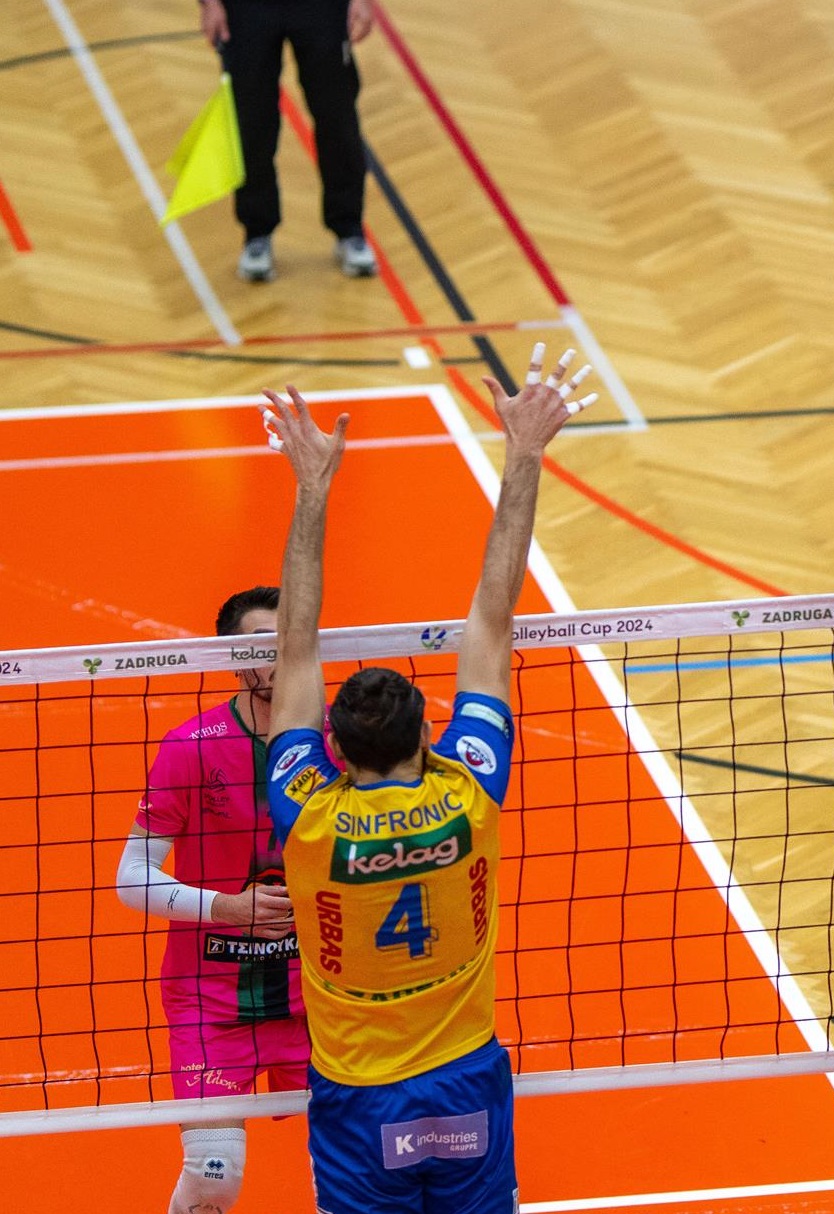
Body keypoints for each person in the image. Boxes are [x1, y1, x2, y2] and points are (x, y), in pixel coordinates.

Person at [260, 353, 595, 1213]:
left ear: (331, 746)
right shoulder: (471, 788)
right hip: (464, 1084)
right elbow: (493, 616)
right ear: (428, 733)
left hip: (359, 1098)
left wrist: (312, 489)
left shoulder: (308, 813)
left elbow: (293, 651)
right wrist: (524, 454)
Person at [116, 585, 309, 1214]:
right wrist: (224, 909)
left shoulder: (346, 739)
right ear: (234, 656)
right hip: (211, 998)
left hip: (326, 996)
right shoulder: (190, 747)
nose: (278, 656)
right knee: (214, 1178)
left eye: (288, 638)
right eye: (260, 645)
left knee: (356, 1161)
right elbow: (132, 876)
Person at [198, 0, 379, 282]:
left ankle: (349, 228)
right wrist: (210, 4)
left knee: (338, 117)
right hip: (247, 10)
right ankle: (257, 233)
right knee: (251, 123)